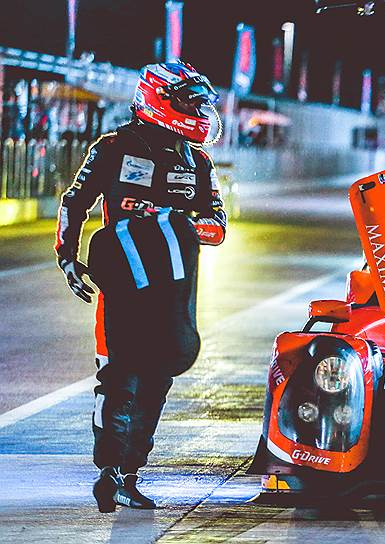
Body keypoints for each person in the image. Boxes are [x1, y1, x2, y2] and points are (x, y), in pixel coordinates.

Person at [55, 62, 227, 512]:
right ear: (159, 99)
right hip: (121, 284)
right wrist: (67, 257)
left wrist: (173, 221)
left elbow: (218, 226)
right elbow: (75, 201)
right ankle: (108, 471)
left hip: (172, 289)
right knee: (116, 379)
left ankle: (130, 475)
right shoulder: (114, 147)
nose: (200, 112)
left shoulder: (199, 161)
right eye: (190, 103)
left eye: (201, 104)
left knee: (156, 381)